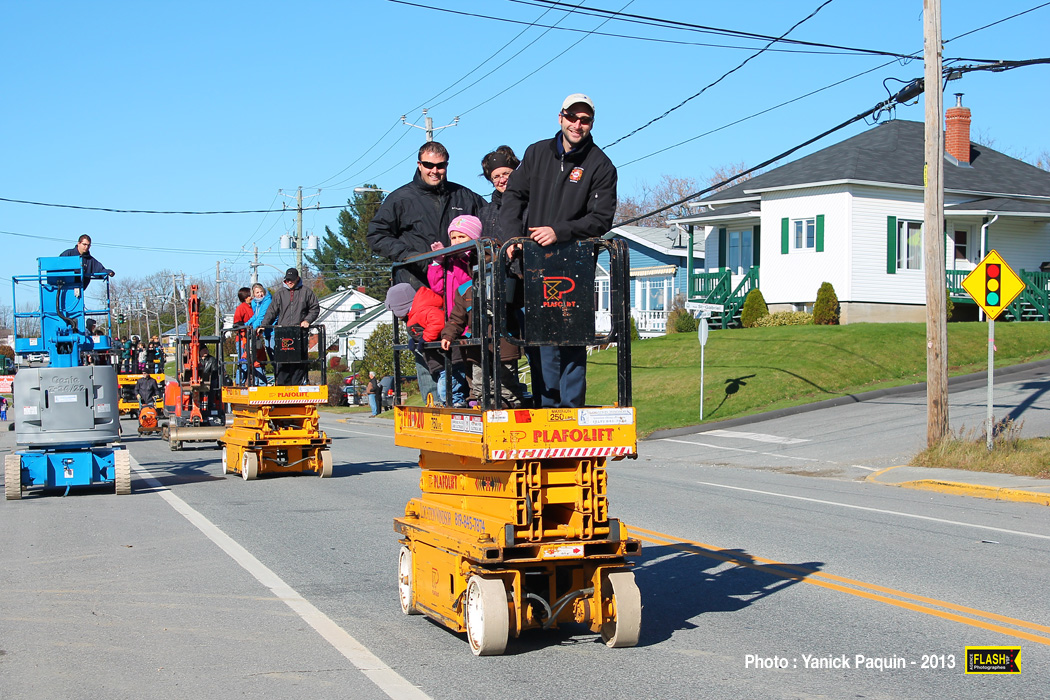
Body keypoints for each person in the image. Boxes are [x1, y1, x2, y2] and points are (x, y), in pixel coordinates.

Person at [499, 93, 617, 408]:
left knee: (573, 340)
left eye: (585, 120)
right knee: (540, 342)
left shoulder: (600, 165)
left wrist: (559, 231)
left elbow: (601, 219)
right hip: (534, 264)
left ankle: (571, 409)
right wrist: (511, 239)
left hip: (574, 267)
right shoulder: (536, 154)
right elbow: (514, 196)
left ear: (591, 123)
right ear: (561, 117)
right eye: (572, 117)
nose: (578, 125)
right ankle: (546, 408)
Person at [366, 141, 486, 290]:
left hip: (459, 287)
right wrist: (414, 257)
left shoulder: (466, 197)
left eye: (440, 165)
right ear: (419, 165)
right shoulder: (400, 199)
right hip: (417, 285)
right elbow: (376, 235)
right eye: (429, 165)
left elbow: (490, 225)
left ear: (446, 166)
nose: (434, 171)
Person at [427, 215, 482, 407]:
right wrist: (437, 263)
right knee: (462, 360)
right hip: (455, 318)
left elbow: (465, 282)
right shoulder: (449, 262)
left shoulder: (472, 259)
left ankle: (475, 395)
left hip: (470, 317)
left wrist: (457, 259)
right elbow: (437, 287)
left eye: (462, 238)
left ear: (473, 239)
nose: (456, 242)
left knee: (475, 359)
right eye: (454, 238)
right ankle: (469, 396)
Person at [259, 268, 320, 386]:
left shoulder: (306, 292)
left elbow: (315, 308)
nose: (289, 282)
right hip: (283, 333)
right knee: (282, 361)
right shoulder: (280, 293)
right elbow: (271, 311)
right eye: (287, 280)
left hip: (300, 332)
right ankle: (282, 388)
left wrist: (307, 320)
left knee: (299, 361)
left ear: (297, 279)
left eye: (291, 280)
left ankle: (297, 387)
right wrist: (263, 326)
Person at [384, 283, 437, 403]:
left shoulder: (425, 310)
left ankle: (436, 402)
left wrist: (425, 337)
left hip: (443, 359)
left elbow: (437, 321)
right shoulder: (415, 315)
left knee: (439, 373)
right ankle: (433, 402)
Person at [248, 283, 273, 383]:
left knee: (273, 356)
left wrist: (253, 329)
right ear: (254, 294)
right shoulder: (255, 303)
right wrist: (246, 324)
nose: (260, 294)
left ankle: (279, 381)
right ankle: (258, 382)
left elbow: (262, 316)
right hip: (263, 332)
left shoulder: (267, 300)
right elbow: (256, 316)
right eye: (257, 292)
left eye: (261, 292)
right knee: (258, 357)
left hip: (272, 331)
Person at [232, 287, 254, 384]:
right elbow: (236, 324)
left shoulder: (254, 306)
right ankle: (239, 382)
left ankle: (254, 382)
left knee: (255, 362)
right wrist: (245, 327)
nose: (252, 297)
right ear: (245, 297)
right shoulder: (241, 308)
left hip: (253, 338)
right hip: (242, 339)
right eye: (249, 295)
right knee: (243, 361)